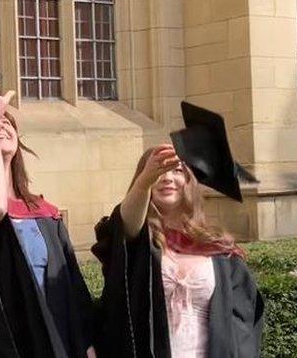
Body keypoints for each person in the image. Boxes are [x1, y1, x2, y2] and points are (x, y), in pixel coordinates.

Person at [0, 65, 97, 358]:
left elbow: (73, 288)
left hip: (57, 341)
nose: (0, 124)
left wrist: (86, 344)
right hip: (3, 344)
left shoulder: (44, 213)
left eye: (6, 121)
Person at [92, 144, 264, 358]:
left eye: (177, 170)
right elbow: (125, 227)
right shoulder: (139, 245)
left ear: (190, 181)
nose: (166, 178)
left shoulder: (218, 250)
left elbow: (243, 318)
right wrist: (144, 182)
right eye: (159, 171)